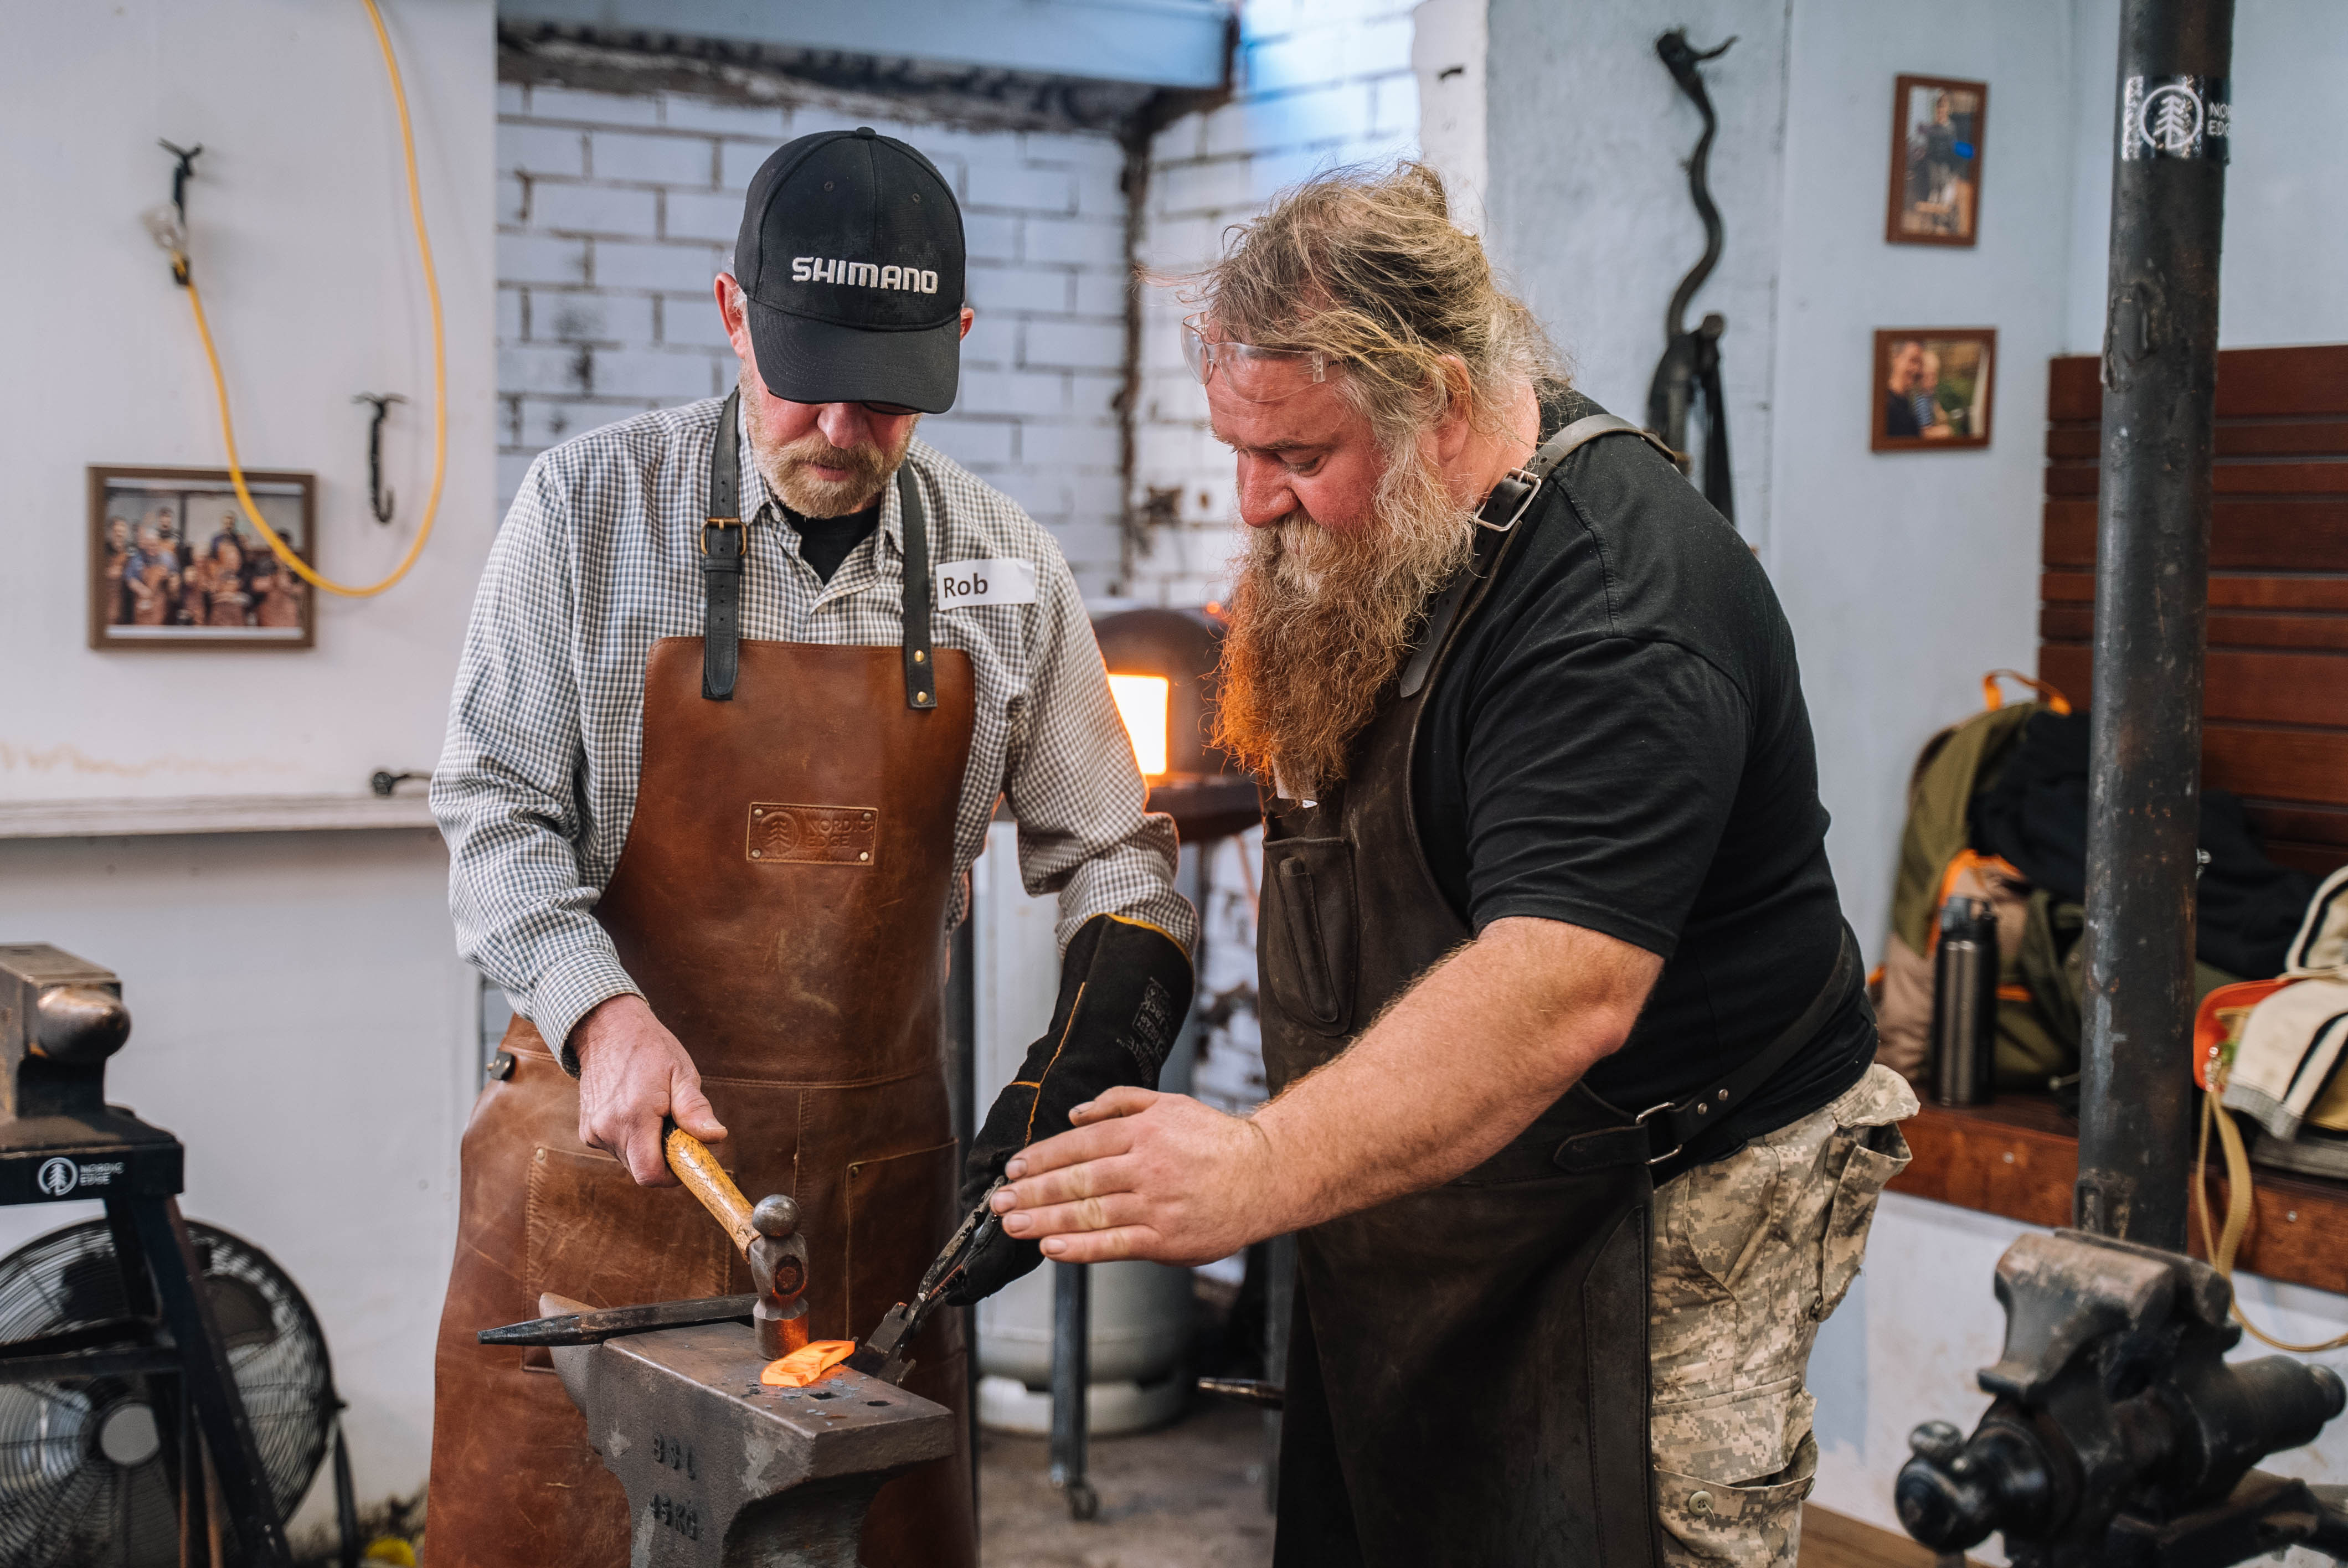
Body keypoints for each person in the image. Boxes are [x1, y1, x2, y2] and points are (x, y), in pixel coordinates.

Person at [990, 163, 1916, 1566]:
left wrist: (1253, 1165)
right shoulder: (1386, 545)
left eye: (1298, 459)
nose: (1254, 504)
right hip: (1464, 1179)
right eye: (1241, 450)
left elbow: (1558, 991)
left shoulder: (1615, 611)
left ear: (1441, 398)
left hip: (1666, 1197)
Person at [425, 125, 1196, 1568]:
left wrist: (1075, 1076)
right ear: (732, 315)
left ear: (958, 342)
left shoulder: (1004, 571)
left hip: (871, 1233)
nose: (842, 433)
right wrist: (606, 1018)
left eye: (889, 397)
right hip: (607, 1211)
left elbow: (1120, 862)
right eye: (809, 382)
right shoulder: (588, 516)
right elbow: (493, 814)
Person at [1884, 338, 1925, 438]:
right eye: (1913, 361)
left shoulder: (1907, 405)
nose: (1917, 369)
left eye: (1920, 364)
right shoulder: (1885, 407)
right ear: (1896, 359)